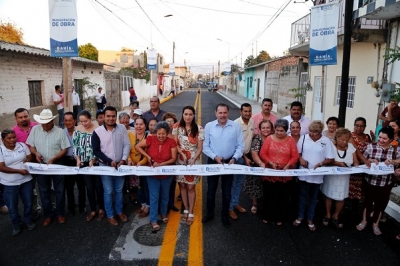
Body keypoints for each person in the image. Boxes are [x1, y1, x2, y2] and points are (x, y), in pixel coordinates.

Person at [202, 103, 245, 228]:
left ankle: (225, 215)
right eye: (220, 113)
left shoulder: (235, 126)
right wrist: (214, 157)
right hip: (213, 161)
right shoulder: (209, 126)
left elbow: (240, 146)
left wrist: (234, 158)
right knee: (211, 190)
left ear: (228, 113)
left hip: (229, 163)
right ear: (215, 113)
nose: (222, 115)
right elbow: (206, 146)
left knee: (227, 192)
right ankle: (210, 213)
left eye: (225, 112)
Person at [26, 109, 71, 227]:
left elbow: (64, 149)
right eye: (43, 122)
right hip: (41, 165)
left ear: (52, 120)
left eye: (48, 122)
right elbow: (32, 146)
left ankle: (60, 214)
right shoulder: (35, 130)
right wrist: (36, 154)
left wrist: (54, 158)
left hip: (57, 164)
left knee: (59, 190)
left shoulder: (60, 132)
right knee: (44, 191)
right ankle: (48, 215)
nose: (46, 125)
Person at [91, 106, 131, 226]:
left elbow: (127, 145)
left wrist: (123, 159)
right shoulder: (97, 132)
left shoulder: (122, 128)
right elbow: (96, 151)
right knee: (108, 191)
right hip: (106, 166)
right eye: (108, 116)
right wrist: (109, 161)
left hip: (120, 165)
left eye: (113, 116)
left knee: (119, 190)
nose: (111, 118)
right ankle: (110, 215)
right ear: (104, 117)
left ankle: (119, 211)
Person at [356, 127, 399, 235]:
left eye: (384, 138)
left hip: (386, 182)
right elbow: (363, 161)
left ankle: (376, 224)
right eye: (380, 137)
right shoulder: (370, 147)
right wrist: (369, 160)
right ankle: (364, 221)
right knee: (367, 202)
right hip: (370, 181)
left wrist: (393, 162)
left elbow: (399, 160)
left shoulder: (395, 149)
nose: (381, 140)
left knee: (381, 204)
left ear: (391, 139)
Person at [135, 121, 178, 231]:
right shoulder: (151, 139)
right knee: (154, 196)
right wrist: (147, 156)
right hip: (152, 174)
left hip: (166, 174)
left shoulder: (171, 142)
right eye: (159, 133)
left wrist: (161, 164)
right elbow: (138, 146)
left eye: (163, 133)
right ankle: (153, 219)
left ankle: (163, 213)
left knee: (165, 195)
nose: (161, 136)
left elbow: (173, 158)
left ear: (167, 133)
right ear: (156, 133)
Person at [293, 120, 334, 231]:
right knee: (302, 196)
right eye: (310, 131)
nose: (311, 134)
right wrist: (301, 159)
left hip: (317, 175)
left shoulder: (326, 141)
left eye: (315, 132)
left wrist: (321, 163)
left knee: (313, 198)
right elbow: (297, 152)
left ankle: (310, 219)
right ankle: (300, 216)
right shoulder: (304, 138)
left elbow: (330, 158)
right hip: (304, 173)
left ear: (320, 132)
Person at [259, 119, 299, 225]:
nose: (279, 133)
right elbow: (263, 153)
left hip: (284, 174)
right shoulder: (269, 139)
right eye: (277, 130)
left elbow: (295, 156)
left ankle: (280, 217)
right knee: (269, 195)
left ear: (286, 130)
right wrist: (270, 162)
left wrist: (288, 165)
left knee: (283, 196)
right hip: (270, 172)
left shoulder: (290, 140)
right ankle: (267, 215)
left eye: (282, 131)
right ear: (274, 129)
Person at [320, 128, 359, 228]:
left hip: (344, 177)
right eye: (342, 139)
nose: (344, 142)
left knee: (341, 197)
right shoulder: (331, 146)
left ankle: (336, 215)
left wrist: (356, 165)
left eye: (346, 139)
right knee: (329, 195)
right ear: (336, 138)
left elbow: (356, 161)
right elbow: (327, 160)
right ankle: (328, 214)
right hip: (331, 176)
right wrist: (338, 163)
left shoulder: (351, 147)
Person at [0, 129, 36, 236]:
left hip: (26, 180)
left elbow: (30, 156)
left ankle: (28, 220)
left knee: (28, 202)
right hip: (9, 183)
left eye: (14, 137)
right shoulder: (1, 150)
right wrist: (18, 171)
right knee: (12, 205)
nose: (12, 140)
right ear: (3, 140)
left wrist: (28, 159)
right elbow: (1, 167)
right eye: (9, 138)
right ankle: (16, 224)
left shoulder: (22, 145)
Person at [173, 106, 204, 226]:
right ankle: (185, 208)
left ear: (194, 115)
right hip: (180, 161)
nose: (188, 117)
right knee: (182, 186)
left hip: (193, 162)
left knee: (191, 187)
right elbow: (174, 144)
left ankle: (191, 211)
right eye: (186, 114)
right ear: (182, 114)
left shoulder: (199, 129)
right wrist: (181, 154)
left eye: (190, 114)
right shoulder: (176, 127)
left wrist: (194, 159)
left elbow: (200, 148)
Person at [73, 110, 105, 222]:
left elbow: (100, 147)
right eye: (81, 121)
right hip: (83, 163)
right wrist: (78, 159)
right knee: (89, 187)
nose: (84, 124)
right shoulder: (77, 129)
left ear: (91, 118)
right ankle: (92, 210)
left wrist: (94, 158)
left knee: (98, 187)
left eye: (86, 121)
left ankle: (101, 209)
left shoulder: (98, 129)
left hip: (95, 162)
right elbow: (75, 146)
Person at [11, 108, 41, 219]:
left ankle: (52, 207)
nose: (24, 119)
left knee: (49, 187)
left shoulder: (38, 126)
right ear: (16, 119)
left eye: (25, 116)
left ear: (29, 116)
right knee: (32, 190)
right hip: (27, 165)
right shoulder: (13, 132)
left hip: (42, 161)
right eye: (20, 117)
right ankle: (35, 209)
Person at [229, 103, 254, 220]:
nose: (248, 113)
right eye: (245, 111)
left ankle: (235, 203)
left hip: (247, 156)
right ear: (240, 112)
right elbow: (237, 145)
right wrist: (245, 157)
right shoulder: (235, 124)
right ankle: (229, 208)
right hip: (238, 157)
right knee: (233, 183)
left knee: (239, 183)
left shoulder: (252, 122)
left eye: (249, 111)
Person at [244, 120, 274, 215]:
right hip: (258, 164)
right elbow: (254, 153)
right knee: (255, 184)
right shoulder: (257, 139)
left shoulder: (274, 138)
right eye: (263, 128)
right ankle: (255, 203)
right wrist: (260, 163)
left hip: (272, 166)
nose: (266, 130)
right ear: (260, 129)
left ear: (271, 129)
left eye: (268, 127)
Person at [63, 112, 86, 216]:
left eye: (70, 120)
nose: (68, 122)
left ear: (74, 121)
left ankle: (82, 206)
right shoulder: (61, 133)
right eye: (66, 120)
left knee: (81, 185)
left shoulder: (80, 131)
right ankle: (71, 206)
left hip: (80, 160)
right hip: (67, 161)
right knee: (69, 186)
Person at [348, 117, 372, 215]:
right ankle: (348, 211)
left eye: (362, 126)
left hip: (365, 167)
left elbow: (370, 149)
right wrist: (364, 161)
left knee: (361, 191)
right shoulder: (350, 136)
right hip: (355, 165)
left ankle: (357, 212)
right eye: (357, 125)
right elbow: (356, 150)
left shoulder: (367, 137)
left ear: (365, 127)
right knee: (351, 189)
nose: (359, 128)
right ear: (354, 125)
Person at [128, 117, 150, 218]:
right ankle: (142, 205)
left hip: (144, 166)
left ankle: (147, 207)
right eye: (136, 124)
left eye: (141, 124)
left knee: (145, 187)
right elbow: (126, 149)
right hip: (132, 167)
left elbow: (148, 154)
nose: (138, 126)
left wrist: (141, 163)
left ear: (145, 126)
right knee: (137, 187)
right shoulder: (130, 135)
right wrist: (128, 159)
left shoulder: (148, 136)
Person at [163, 112, 179, 212]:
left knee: (173, 184)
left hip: (175, 162)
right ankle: (164, 206)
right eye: (167, 121)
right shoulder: (161, 133)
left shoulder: (176, 134)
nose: (169, 123)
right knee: (164, 185)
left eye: (171, 121)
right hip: (164, 162)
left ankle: (171, 204)